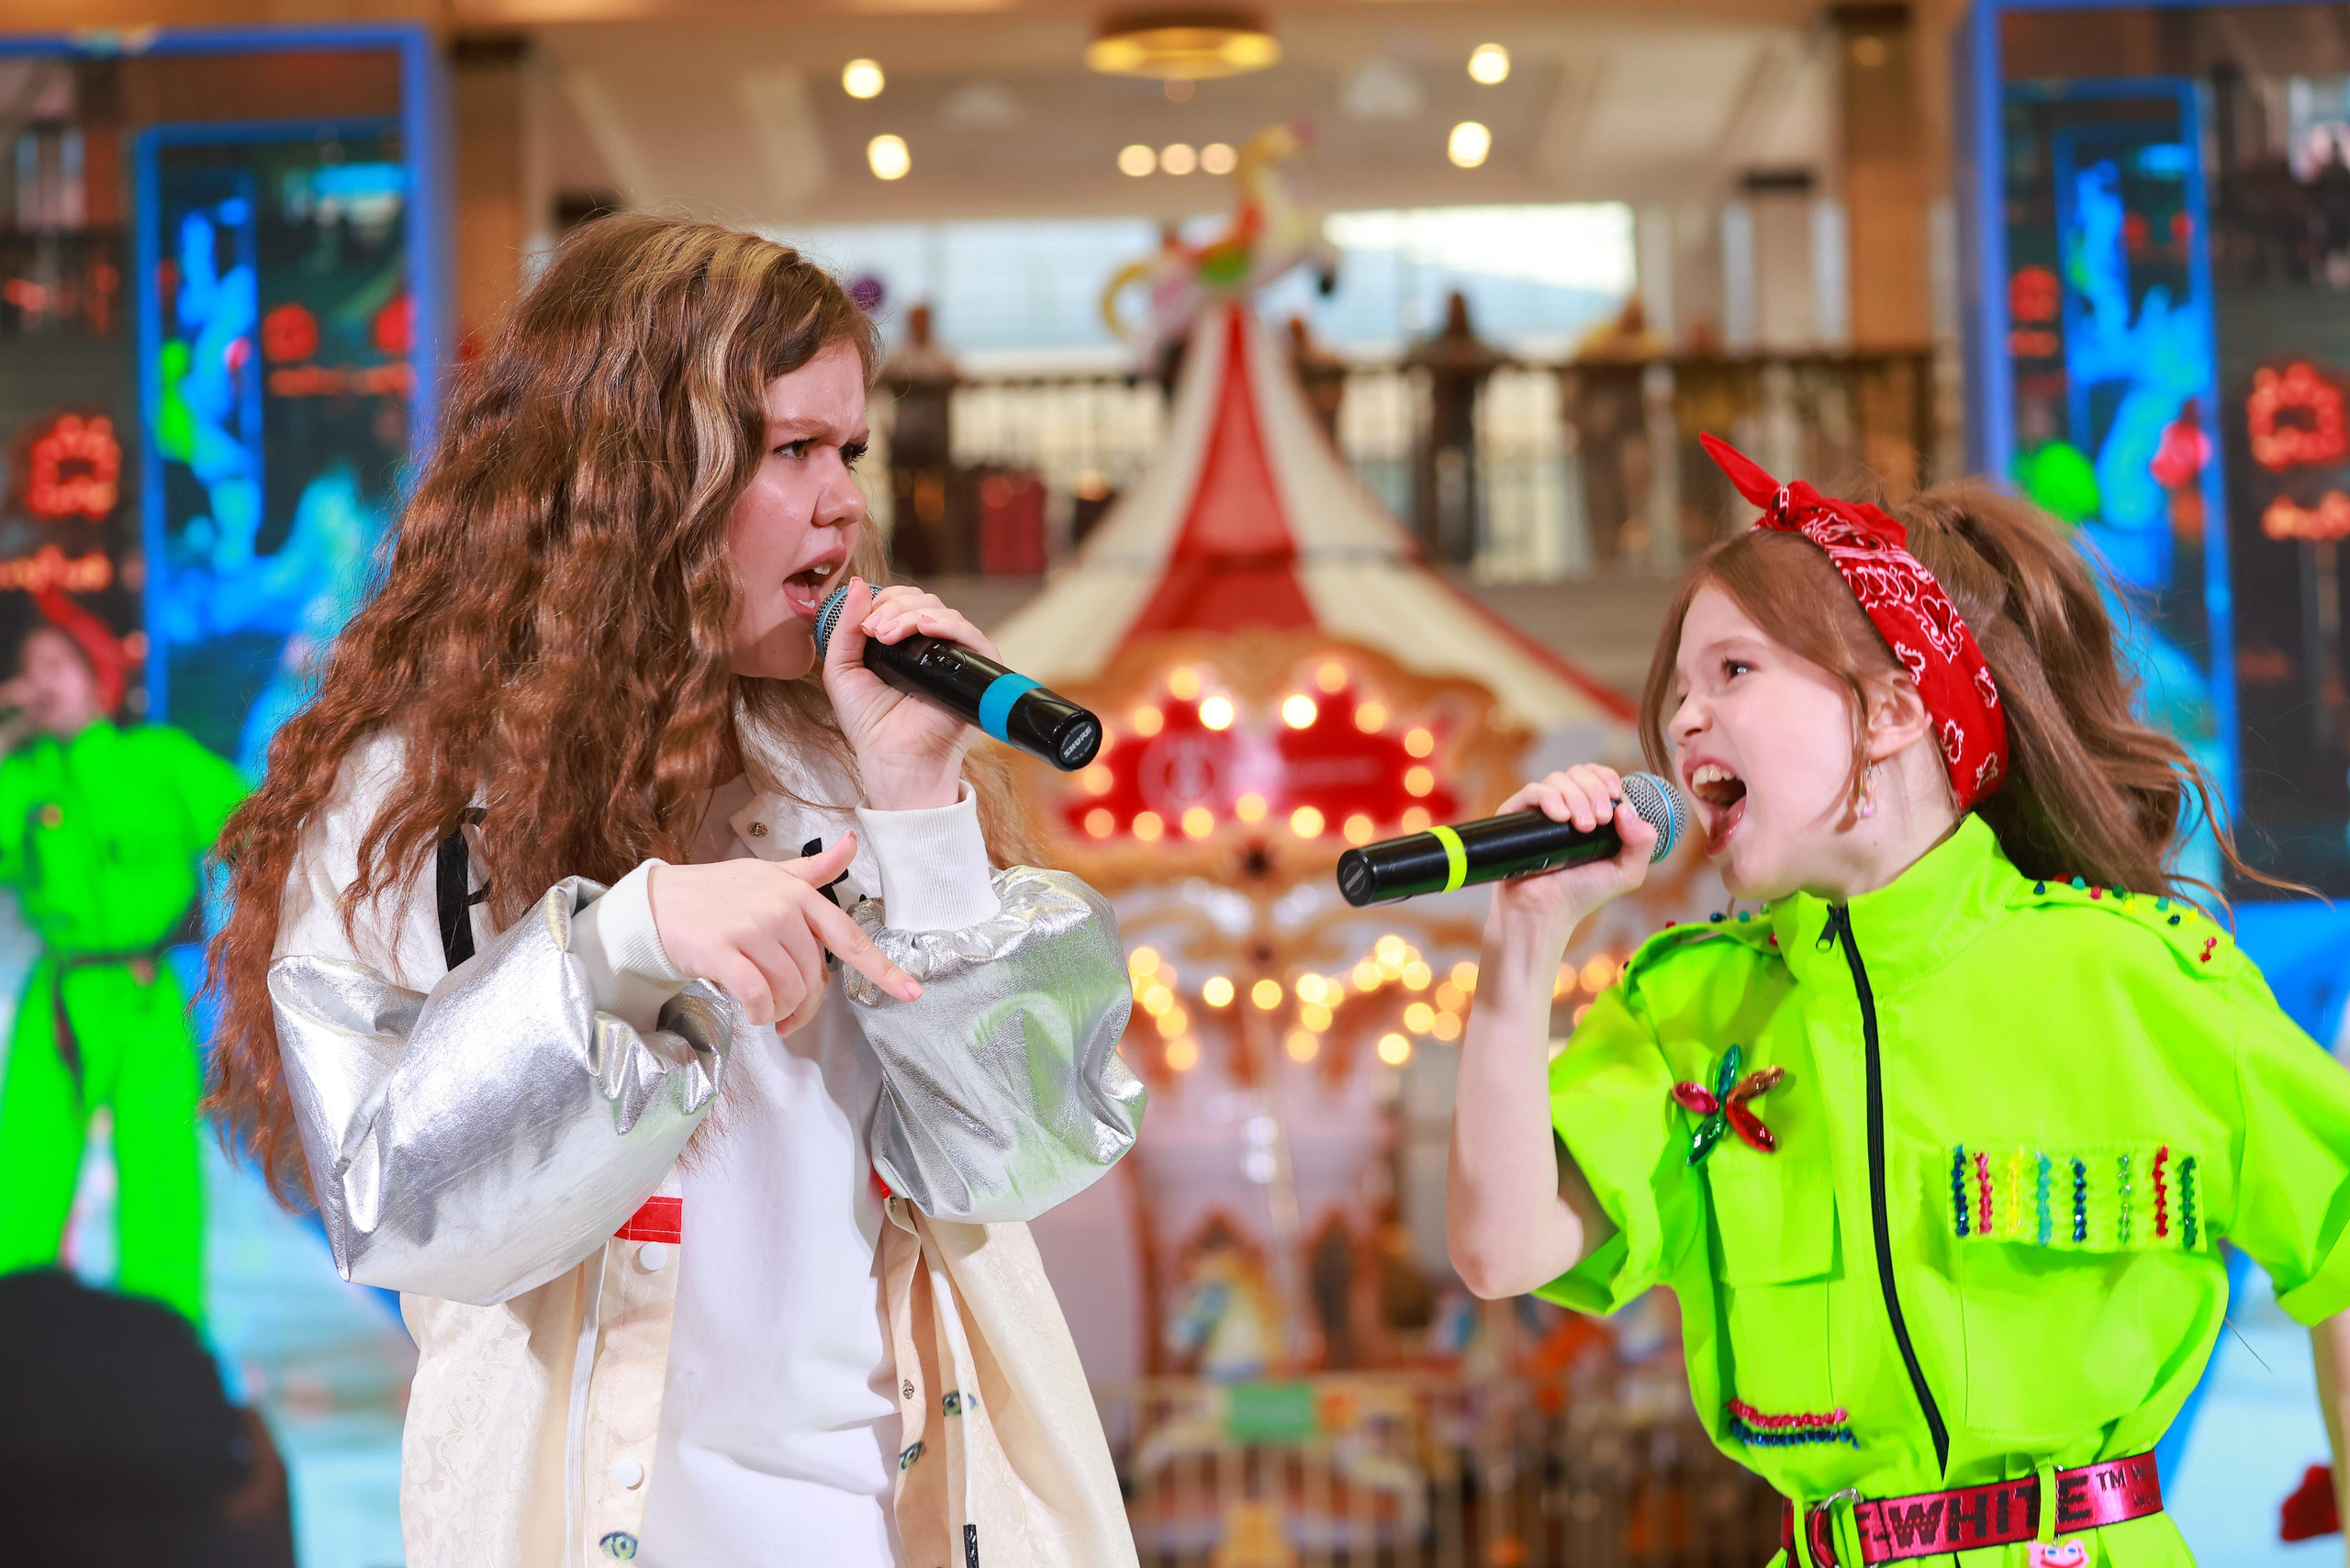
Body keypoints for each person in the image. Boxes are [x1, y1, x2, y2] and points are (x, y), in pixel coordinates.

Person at [203, 215, 1147, 1568]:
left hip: (912, 1521)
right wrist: (624, 947)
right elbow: (395, 1199)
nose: (841, 501)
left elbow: (1025, 1155)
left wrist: (925, 813)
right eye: (791, 450)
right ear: (633, 476)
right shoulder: (419, 789)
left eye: (852, 452)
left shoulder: (859, 755)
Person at [1446, 433, 2350, 1568]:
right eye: (1676, 691)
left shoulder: (2133, 980)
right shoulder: (1690, 1012)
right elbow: (1502, 1249)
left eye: (1733, 671)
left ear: (1893, 709)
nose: (1681, 722)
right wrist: (1522, 939)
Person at [0, 588, 248, 1326]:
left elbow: (253, 824)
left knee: (161, 1177)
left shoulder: (159, 759)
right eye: (27, 668)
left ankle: (169, 1351)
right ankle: (18, 1346)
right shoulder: (23, 777)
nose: (42, 680)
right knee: (28, 1174)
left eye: (57, 664)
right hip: (61, 997)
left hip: (145, 997)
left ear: (95, 672)